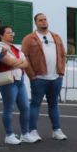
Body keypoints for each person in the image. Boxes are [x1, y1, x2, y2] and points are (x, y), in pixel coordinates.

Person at [21, 13, 67, 141]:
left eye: (45, 19)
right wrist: (32, 75)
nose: (44, 22)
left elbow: (63, 55)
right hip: (39, 78)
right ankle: (33, 131)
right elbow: (25, 57)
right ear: (36, 23)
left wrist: (61, 72)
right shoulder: (29, 39)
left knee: (54, 104)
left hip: (56, 77)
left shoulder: (56, 37)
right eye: (40, 20)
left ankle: (56, 130)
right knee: (35, 104)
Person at [0, 25, 34, 145]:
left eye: (12, 32)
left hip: (19, 79)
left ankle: (25, 134)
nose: (12, 34)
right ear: (1, 35)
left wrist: (18, 63)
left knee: (25, 107)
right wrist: (19, 62)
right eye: (9, 33)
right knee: (9, 108)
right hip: (8, 81)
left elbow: (26, 63)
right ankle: (9, 135)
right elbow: (10, 61)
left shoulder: (15, 48)